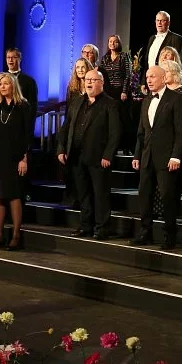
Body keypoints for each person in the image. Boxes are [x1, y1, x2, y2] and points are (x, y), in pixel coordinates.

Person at [57, 70, 121, 240]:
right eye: (87, 79)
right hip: (77, 156)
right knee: (83, 194)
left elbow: (115, 133)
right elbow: (66, 127)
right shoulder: (77, 102)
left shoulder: (110, 104)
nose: (89, 82)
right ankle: (86, 226)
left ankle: (102, 228)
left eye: (93, 79)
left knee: (100, 195)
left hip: (99, 158)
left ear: (101, 83)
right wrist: (61, 149)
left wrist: (108, 155)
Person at [130, 65, 182, 250]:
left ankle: (169, 236)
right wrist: (137, 155)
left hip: (167, 158)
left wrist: (176, 156)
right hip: (147, 157)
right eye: (147, 76)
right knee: (144, 196)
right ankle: (145, 232)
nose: (148, 80)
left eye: (153, 76)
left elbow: (181, 132)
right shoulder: (147, 100)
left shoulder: (177, 99)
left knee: (167, 196)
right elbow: (142, 132)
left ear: (163, 78)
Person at [0, 73, 33, 250]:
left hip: (15, 157)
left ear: (13, 85)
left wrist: (24, 158)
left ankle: (16, 234)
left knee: (14, 195)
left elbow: (28, 134)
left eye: (5, 83)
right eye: (0, 84)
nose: (2, 86)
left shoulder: (23, 105)